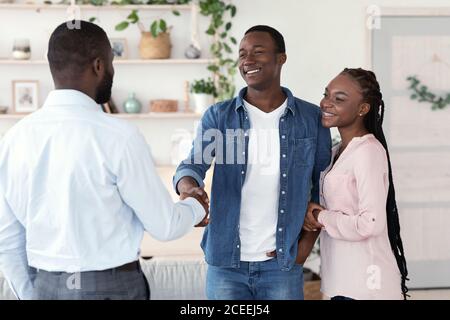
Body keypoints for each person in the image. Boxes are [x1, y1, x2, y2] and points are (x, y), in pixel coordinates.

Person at [0, 21, 208, 300]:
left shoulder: (14, 139)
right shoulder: (119, 136)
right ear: (99, 66)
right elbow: (165, 226)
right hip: (112, 288)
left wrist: (33, 295)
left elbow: (8, 242)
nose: (112, 70)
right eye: (111, 62)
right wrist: (196, 206)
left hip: (45, 285)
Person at [173, 25, 331, 300]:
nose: (248, 60)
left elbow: (325, 187)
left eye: (258, 52)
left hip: (281, 264)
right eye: (242, 54)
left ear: (281, 58)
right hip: (226, 263)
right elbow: (193, 165)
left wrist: (304, 248)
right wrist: (188, 188)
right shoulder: (220, 117)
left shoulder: (310, 118)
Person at [297, 68, 409, 300]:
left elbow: (371, 223)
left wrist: (320, 217)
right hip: (342, 281)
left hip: (367, 284)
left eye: (339, 99)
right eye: (326, 94)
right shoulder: (337, 151)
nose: (326, 103)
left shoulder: (368, 152)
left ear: (362, 109)